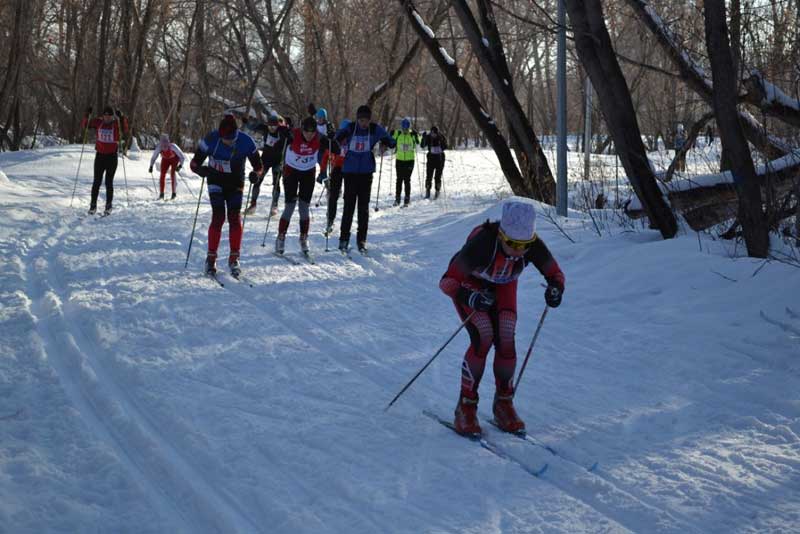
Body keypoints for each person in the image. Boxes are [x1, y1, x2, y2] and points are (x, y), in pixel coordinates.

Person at [439, 197, 565, 436]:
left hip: (504, 284)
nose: (519, 251)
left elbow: (556, 274)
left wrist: (556, 289)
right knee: (484, 336)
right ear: (501, 236)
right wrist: (470, 297)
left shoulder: (532, 245)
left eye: (525, 244)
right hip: (470, 284)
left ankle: (503, 404)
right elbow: (447, 282)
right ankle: (465, 408)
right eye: (512, 243)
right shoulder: (483, 243)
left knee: (506, 335)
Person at [190, 114, 263, 277]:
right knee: (218, 217)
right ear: (220, 135)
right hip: (215, 180)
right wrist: (200, 169)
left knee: (234, 217)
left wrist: (256, 175)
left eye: (232, 139)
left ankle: (234, 258)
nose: (229, 142)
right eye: (225, 139)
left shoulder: (246, 142)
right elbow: (193, 163)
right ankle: (210, 258)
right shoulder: (210, 138)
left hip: (235, 182)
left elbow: (259, 166)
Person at [334, 104, 396, 253]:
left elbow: (391, 141)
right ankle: (344, 239)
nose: (364, 123)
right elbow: (336, 139)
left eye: (366, 120)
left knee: (363, 208)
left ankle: (361, 240)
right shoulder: (350, 128)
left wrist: (385, 143)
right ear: (357, 119)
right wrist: (339, 139)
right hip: (350, 172)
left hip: (366, 173)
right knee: (349, 206)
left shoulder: (374, 129)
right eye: (361, 120)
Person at [275, 116, 339, 255]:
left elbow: (337, 150)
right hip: (291, 171)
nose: (309, 135)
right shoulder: (294, 134)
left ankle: (303, 237)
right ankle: (281, 237)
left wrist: (332, 138)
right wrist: (282, 134)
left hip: (308, 173)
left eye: (312, 132)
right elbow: (279, 137)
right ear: (302, 129)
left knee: (304, 206)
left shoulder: (319, 137)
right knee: (290, 205)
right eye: (306, 131)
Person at [80, 105, 129, 215]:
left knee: (108, 182)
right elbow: (85, 125)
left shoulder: (116, 124)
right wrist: (87, 115)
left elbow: (125, 128)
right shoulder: (98, 122)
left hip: (111, 157)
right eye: (105, 115)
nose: (107, 117)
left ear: (112, 117)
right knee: (96, 181)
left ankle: (108, 206)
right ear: (103, 116)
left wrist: (121, 118)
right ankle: (93, 206)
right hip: (100, 156)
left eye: (109, 116)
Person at [248, 112, 291, 216]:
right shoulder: (265, 128)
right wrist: (248, 122)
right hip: (266, 159)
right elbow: (254, 126)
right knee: (257, 180)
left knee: (276, 182)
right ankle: (253, 204)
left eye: (274, 126)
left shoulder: (282, 130)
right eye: (270, 126)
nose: (272, 128)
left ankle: (274, 205)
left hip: (278, 160)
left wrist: (289, 130)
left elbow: (291, 135)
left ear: (278, 125)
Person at [323, 119, 350, 236]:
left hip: (350, 169)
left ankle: (346, 220)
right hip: (337, 168)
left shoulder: (352, 140)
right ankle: (330, 219)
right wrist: (323, 170)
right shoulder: (336, 140)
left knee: (348, 196)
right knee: (333, 195)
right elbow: (326, 155)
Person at [391, 117, 420, 207]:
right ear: (401, 127)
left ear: (409, 128)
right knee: (399, 179)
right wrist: (390, 133)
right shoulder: (398, 133)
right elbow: (390, 139)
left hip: (409, 160)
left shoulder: (412, 135)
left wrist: (417, 135)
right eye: (403, 128)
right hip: (399, 160)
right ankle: (397, 198)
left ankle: (407, 199)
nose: (405, 130)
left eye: (406, 128)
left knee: (407, 180)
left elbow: (419, 142)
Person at [148, 133, 187, 200]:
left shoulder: (173, 146)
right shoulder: (159, 147)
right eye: (163, 146)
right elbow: (154, 157)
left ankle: (174, 193)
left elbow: (182, 157)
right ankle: (161, 194)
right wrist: (151, 166)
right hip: (165, 160)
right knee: (162, 174)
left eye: (166, 145)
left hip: (174, 159)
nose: (164, 147)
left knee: (172, 174)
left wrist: (180, 166)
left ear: (168, 143)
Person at [421, 126, 447, 199]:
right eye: (432, 133)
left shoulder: (441, 137)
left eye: (434, 134)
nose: (433, 135)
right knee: (429, 176)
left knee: (437, 177)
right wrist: (424, 138)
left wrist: (441, 143)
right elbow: (422, 145)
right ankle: (427, 190)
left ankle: (437, 191)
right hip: (431, 158)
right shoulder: (428, 137)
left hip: (440, 158)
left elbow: (445, 146)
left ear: (437, 133)